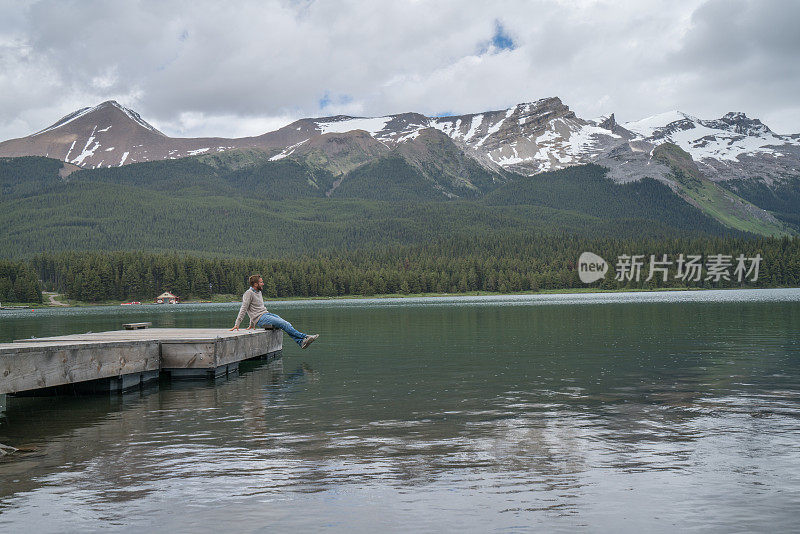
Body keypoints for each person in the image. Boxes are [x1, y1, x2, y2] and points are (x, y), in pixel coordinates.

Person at [229, 274, 319, 349]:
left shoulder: (258, 292)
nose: (263, 284)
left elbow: (254, 309)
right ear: (255, 284)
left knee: (286, 323)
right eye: (261, 282)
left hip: (266, 314)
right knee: (284, 324)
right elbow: (244, 308)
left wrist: (252, 324)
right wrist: (237, 323)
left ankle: (301, 342)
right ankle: (305, 337)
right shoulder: (248, 293)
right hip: (261, 319)